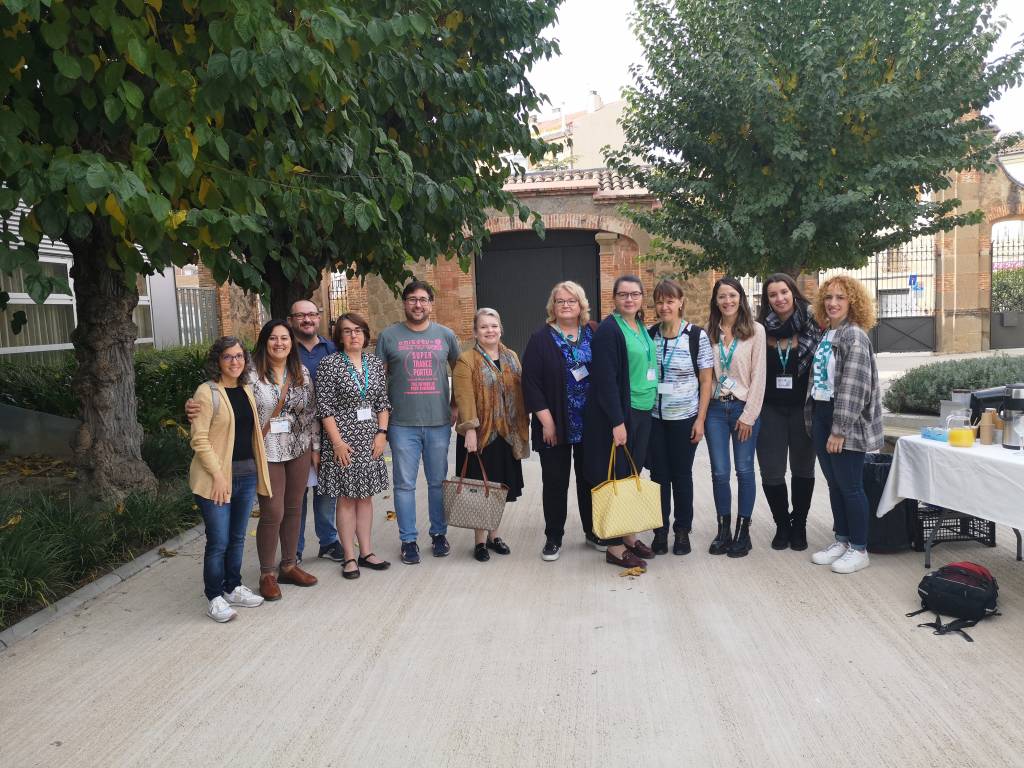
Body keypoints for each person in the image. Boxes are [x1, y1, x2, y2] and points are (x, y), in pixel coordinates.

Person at [375, 281, 462, 565]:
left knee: (437, 482)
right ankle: (408, 540)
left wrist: (455, 405)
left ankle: (438, 535)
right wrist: (382, 421)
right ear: (404, 303)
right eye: (412, 299)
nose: (418, 305)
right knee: (404, 485)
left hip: (438, 422)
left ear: (431, 304)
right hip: (402, 423)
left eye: (423, 299)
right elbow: (378, 381)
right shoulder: (388, 337)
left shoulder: (446, 335)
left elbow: (460, 373)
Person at [188, 337, 271, 623]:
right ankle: (214, 597)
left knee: (237, 537)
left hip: (246, 475)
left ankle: (232, 587)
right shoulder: (206, 392)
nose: (235, 362)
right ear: (218, 361)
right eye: (228, 357)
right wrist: (218, 476)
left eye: (239, 356)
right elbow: (199, 439)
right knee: (218, 541)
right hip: (216, 479)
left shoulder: (245, 388)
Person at [806, 275, 883, 574]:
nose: (833, 303)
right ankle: (842, 539)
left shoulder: (854, 336)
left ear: (853, 302)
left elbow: (854, 386)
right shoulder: (828, 333)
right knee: (834, 484)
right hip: (823, 413)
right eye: (828, 297)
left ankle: (859, 548)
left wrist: (839, 429)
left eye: (840, 297)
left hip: (844, 419)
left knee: (851, 487)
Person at [582, 275, 658, 569]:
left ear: (641, 297)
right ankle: (614, 546)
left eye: (635, 294)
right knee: (615, 476)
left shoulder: (640, 326)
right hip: (620, 415)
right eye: (623, 294)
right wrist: (617, 421)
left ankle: (629, 536)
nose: (629, 299)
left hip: (642, 410)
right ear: (614, 298)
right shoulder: (609, 331)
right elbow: (605, 381)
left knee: (631, 475)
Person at [522, 281, 599, 561]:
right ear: (552, 306)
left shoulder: (594, 332)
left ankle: (593, 530)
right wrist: (547, 422)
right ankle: (553, 536)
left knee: (590, 480)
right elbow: (531, 383)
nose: (566, 305)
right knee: (555, 482)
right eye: (560, 301)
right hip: (555, 423)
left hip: (590, 424)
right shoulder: (540, 339)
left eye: (571, 301)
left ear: (581, 305)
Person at [315, 313, 392, 579]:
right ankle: (349, 556)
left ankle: (366, 552)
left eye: (358, 330)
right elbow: (325, 408)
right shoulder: (329, 364)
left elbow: (382, 402)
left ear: (366, 334)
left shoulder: (374, 363)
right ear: (339, 336)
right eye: (347, 331)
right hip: (343, 443)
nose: (353, 335)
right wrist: (337, 443)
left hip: (371, 440)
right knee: (346, 498)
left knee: (365, 497)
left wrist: (382, 433)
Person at [453, 308, 530, 561]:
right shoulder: (466, 360)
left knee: (499, 490)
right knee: (480, 490)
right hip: (480, 435)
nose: (490, 330)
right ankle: (479, 542)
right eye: (484, 327)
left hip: (506, 434)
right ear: (476, 332)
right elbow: (464, 397)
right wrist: (470, 430)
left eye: (494, 326)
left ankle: (494, 536)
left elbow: (521, 390)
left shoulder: (511, 357)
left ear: (501, 329)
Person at [250, 320, 319, 600]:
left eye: (285, 338)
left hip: (299, 447)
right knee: (273, 511)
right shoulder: (250, 374)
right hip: (267, 449)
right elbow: (227, 398)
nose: (279, 343)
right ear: (264, 342)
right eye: (273, 338)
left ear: (292, 343)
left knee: (294, 507)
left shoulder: (301, 372)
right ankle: (267, 573)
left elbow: (311, 412)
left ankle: (289, 565)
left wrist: (315, 448)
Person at [645, 279, 714, 556]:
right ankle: (659, 531)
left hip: (685, 417)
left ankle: (682, 530)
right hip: (655, 419)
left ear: (681, 302)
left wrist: (700, 420)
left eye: (670, 301)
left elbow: (706, 381)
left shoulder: (696, 336)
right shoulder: (650, 335)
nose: (665, 307)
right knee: (658, 476)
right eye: (660, 302)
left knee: (681, 475)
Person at [756, 274, 822, 551]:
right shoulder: (760, 330)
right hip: (770, 409)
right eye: (773, 294)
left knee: (803, 469)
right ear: (767, 300)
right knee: (771, 472)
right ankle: (782, 524)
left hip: (803, 409)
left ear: (793, 293)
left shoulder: (814, 324)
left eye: (784, 292)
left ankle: (800, 525)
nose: (779, 298)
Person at [704, 277, 766, 558]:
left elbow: (759, 376)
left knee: (744, 470)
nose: (727, 301)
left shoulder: (755, 331)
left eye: (732, 295)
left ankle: (743, 532)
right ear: (715, 301)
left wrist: (749, 416)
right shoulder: (709, 332)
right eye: (721, 297)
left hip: (743, 409)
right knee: (719, 472)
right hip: (716, 410)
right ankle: (723, 530)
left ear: (740, 298)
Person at [288, 300, 344, 565]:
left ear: (319, 318)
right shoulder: (284, 348)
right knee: (296, 493)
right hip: (293, 433)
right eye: (301, 315)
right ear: (291, 320)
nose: (307, 319)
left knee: (326, 489)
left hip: (329, 430)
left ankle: (329, 541)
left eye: (312, 314)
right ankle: (294, 549)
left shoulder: (333, 349)